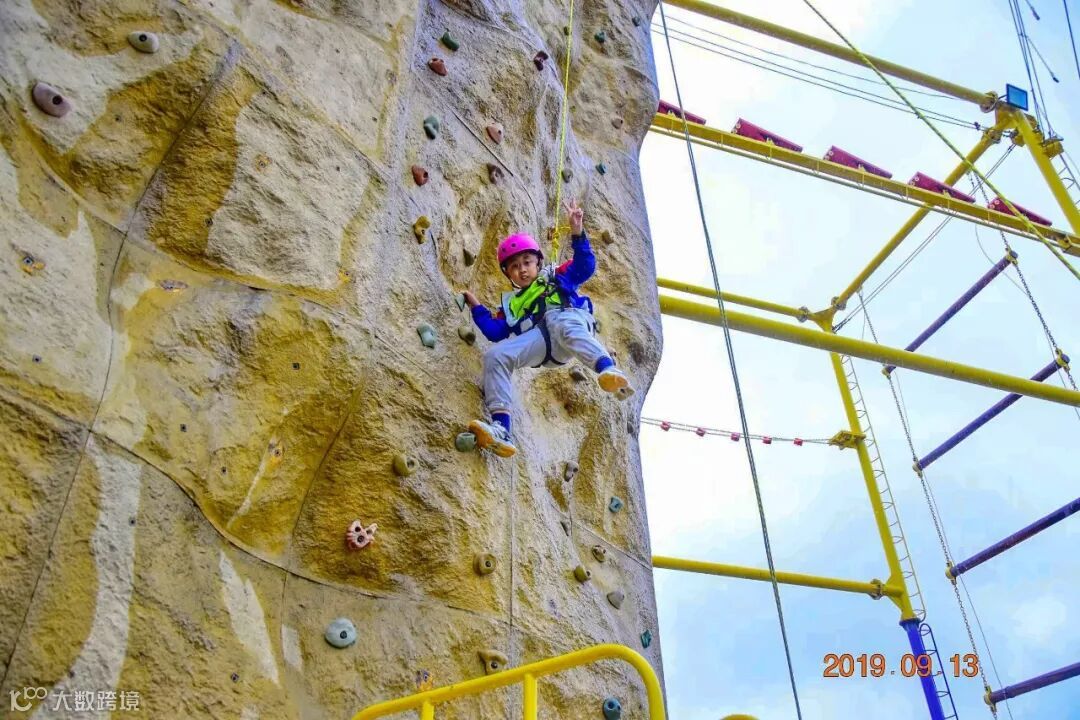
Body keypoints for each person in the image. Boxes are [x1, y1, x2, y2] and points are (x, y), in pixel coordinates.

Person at [462, 199, 634, 457]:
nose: (522, 270)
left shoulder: (556, 275)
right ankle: (501, 429)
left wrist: (577, 231)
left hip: (571, 322)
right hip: (544, 343)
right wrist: (476, 306)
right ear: (508, 274)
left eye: (527, 262)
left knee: (558, 320)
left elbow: (585, 267)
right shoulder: (512, 304)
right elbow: (494, 332)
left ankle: (607, 368)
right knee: (495, 356)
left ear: (538, 262)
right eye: (514, 267)